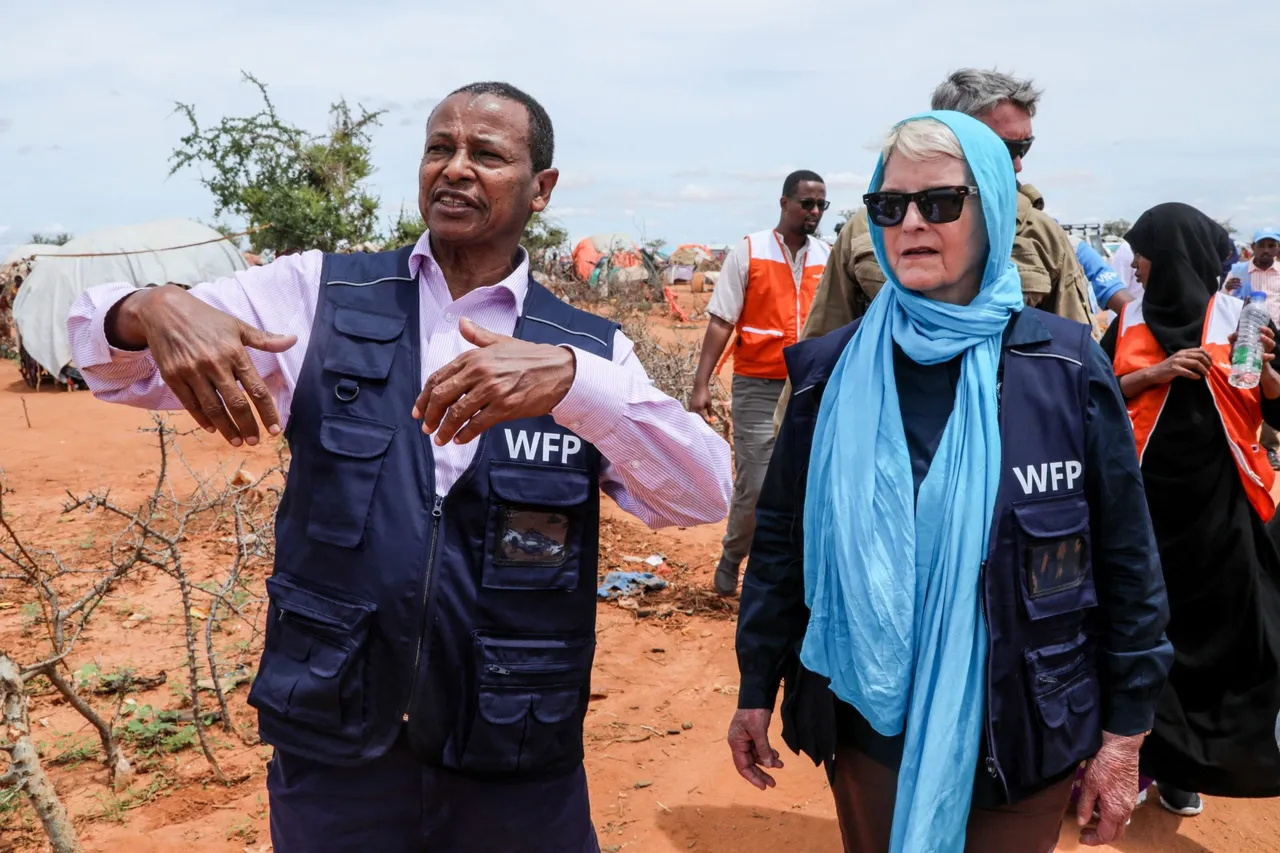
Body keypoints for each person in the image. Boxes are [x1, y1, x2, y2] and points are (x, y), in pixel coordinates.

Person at [66, 81, 732, 853]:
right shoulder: (319, 295)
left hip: (516, 757)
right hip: (338, 747)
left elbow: (703, 493)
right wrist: (148, 306)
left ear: (541, 189)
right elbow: (102, 358)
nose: (455, 169)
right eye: (438, 148)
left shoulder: (586, 348)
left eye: (486, 154)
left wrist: (576, 385)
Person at [729, 110, 1173, 853]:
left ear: (992, 207)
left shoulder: (1061, 366)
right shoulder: (830, 373)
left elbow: (1127, 552)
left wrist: (1126, 732)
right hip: (871, 723)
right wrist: (754, 688)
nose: (911, 223)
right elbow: (782, 541)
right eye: (889, 205)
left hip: (1025, 721)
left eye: (939, 202)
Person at [773, 68, 1094, 428]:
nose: (1018, 163)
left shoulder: (1042, 234)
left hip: (1014, 433)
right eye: (1006, 148)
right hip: (884, 428)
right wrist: (794, 438)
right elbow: (825, 342)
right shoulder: (871, 226)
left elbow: (1074, 363)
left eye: (1025, 148)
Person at [1104, 203, 1280, 818]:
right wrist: (1155, 373)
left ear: (1175, 253)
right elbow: (1090, 395)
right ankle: (1146, 760)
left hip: (1221, 508)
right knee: (1145, 630)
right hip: (1141, 507)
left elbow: (1272, 405)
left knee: (1220, 636)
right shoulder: (1126, 317)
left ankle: (1191, 766)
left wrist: (1273, 380)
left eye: (1144, 254)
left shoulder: (1239, 316)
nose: (1138, 266)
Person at [689, 170, 829, 596]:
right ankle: (733, 558)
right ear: (784, 202)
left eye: (821, 204)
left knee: (809, 484)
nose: (815, 211)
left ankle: (787, 576)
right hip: (759, 387)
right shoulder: (750, 250)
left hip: (812, 388)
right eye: (807, 203)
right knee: (757, 482)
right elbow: (720, 322)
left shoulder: (828, 255)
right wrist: (701, 385)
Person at [1223, 228, 1280, 466]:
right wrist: (1228, 289)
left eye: (1271, 245)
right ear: (1253, 247)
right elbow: (1222, 299)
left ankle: (1269, 446)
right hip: (1245, 339)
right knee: (1243, 385)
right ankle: (1241, 441)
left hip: (1277, 340)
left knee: (1273, 389)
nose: (1266, 250)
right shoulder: (1237, 271)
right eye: (1261, 245)